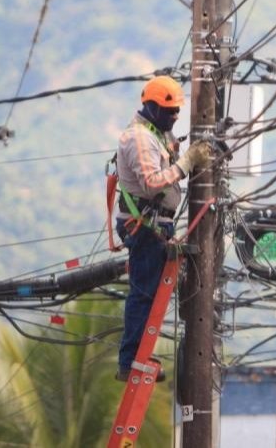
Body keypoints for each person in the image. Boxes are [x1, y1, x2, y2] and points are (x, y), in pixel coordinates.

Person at [114, 75, 211, 382]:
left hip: (153, 224)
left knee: (150, 293)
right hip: (143, 225)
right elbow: (151, 181)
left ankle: (138, 354)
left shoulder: (155, 133)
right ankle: (130, 360)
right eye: (170, 111)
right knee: (143, 294)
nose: (175, 116)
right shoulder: (140, 138)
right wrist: (186, 163)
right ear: (152, 107)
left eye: (177, 111)